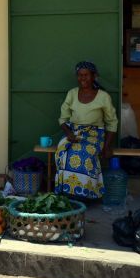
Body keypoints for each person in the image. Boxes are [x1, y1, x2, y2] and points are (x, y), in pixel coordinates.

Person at [54, 61, 118, 200]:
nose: (83, 78)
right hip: (73, 133)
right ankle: (66, 193)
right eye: (80, 75)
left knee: (83, 154)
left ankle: (84, 195)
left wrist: (107, 147)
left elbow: (112, 122)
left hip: (94, 135)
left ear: (94, 76)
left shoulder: (103, 96)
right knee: (62, 153)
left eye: (86, 75)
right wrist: (68, 133)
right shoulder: (72, 94)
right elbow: (63, 118)